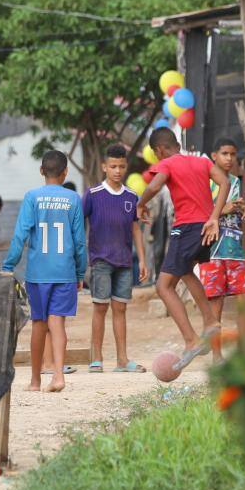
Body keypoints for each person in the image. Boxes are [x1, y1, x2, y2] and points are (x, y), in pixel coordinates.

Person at [138, 127, 230, 367]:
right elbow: (224, 182)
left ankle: (191, 340)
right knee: (186, 272)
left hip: (186, 228)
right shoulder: (202, 161)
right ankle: (210, 321)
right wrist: (214, 217)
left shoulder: (167, 163)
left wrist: (140, 204)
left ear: (159, 150)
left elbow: (154, 186)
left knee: (163, 286)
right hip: (205, 228)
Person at [2, 150, 86, 393]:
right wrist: (80, 272)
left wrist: (8, 265)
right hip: (65, 271)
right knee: (57, 322)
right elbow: (80, 241)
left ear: (41, 171)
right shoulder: (73, 199)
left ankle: (35, 381)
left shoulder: (32, 197)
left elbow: (20, 234)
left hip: (38, 274)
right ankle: (58, 375)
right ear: (65, 172)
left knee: (39, 324)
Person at [84, 144, 149, 374]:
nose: (117, 171)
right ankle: (97, 359)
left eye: (121, 166)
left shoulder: (132, 196)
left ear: (126, 166)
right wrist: (81, 258)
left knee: (120, 309)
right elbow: (79, 224)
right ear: (104, 167)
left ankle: (122, 360)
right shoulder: (92, 195)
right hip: (100, 260)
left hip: (124, 261)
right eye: (113, 166)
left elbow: (136, 229)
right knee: (100, 308)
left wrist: (142, 260)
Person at [200, 138, 245, 360]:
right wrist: (225, 208)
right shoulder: (204, 182)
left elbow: (233, 212)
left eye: (233, 154)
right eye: (224, 154)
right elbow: (199, 214)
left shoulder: (236, 181)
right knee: (216, 305)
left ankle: (244, 355)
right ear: (214, 156)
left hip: (235, 251)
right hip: (212, 252)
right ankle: (217, 356)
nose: (230, 158)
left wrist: (241, 210)